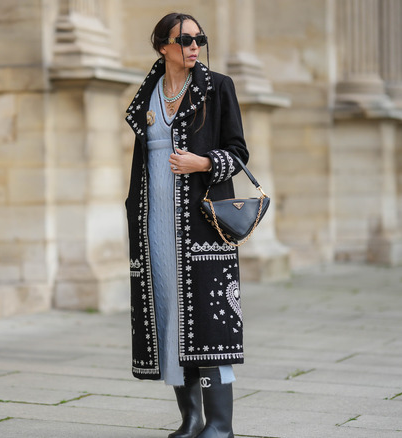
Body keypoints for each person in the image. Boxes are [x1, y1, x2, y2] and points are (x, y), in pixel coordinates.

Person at [124, 12, 249, 438]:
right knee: (168, 316)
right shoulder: (149, 95)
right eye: (185, 39)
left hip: (202, 225)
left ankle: (220, 424)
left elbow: (239, 153)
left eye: (200, 39)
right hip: (155, 226)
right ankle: (191, 420)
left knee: (208, 320)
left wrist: (204, 162)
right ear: (163, 46)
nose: (195, 46)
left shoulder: (217, 88)